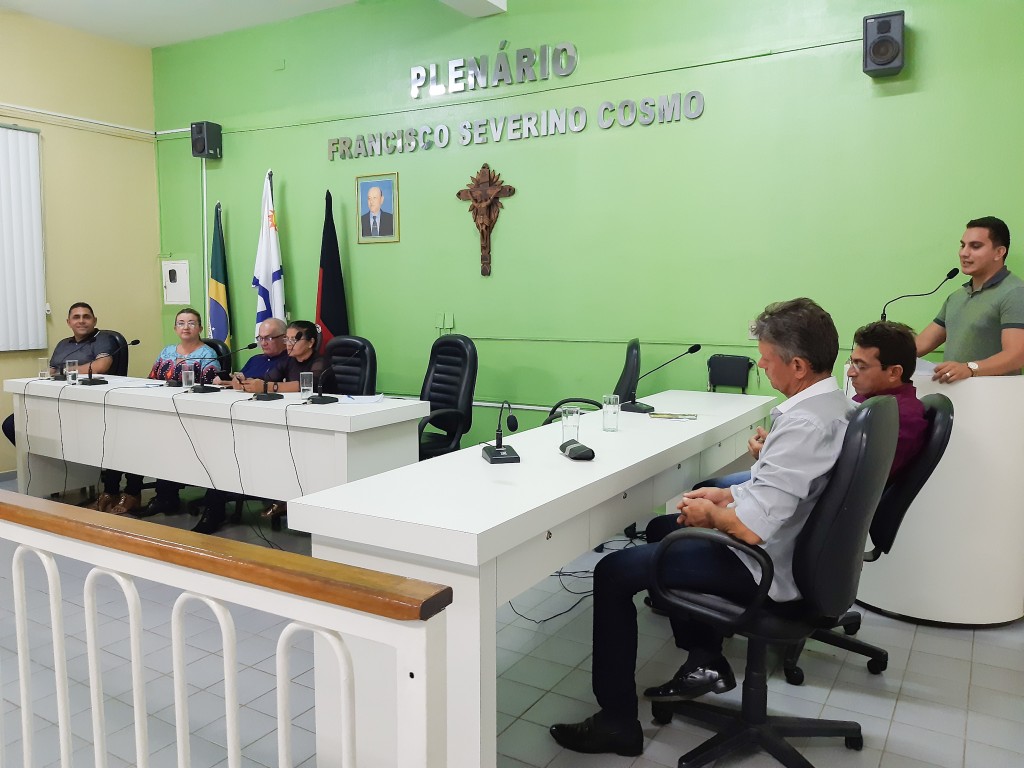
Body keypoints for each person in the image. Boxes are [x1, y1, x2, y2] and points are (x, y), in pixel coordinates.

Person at [550, 298, 854, 757]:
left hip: (766, 567)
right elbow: (784, 490)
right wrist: (726, 496)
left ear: (797, 365)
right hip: (794, 553)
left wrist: (711, 516)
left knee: (612, 572)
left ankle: (617, 723)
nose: (760, 364)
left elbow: (751, 532)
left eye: (766, 358)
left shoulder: (805, 423)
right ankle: (705, 658)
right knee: (662, 529)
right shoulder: (832, 405)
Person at [99, 309, 220, 517]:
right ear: (175, 328)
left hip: (188, 416)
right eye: (181, 323)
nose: (186, 327)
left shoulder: (208, 354)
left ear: (200, 328)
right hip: (161, 410)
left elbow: (210, 389)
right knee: (127, 435)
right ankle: (126, 491)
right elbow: (152, 380)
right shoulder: (167, 351)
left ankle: (161, 496)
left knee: (155, 440)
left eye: (191, 323)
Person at [915, 216, 1024, 382]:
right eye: (962, 245)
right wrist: (880, 357)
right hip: (953, 392)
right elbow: (921, 344)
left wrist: (970, 368)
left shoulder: (1015, 293)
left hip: (995, 394)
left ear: (999, 252)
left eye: (975, 246)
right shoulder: (957, 297)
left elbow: (1016, 355)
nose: (964, 253)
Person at [3, 302, 120, 445]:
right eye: (76, 317)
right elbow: (51, 371)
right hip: (55, 397)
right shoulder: (63, 344)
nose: (81, 321)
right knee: (11, 425)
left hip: (82, 402)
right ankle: (40, 456)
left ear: (94, 320)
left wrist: (65, 371)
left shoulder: (102, 339)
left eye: (86, 317)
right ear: (68, 322)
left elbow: (100, 366)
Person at [238, 320, 332, 395]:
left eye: (294, 340)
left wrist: (267, 386)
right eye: (287, 339)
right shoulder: (288, 360)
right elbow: (267, 378)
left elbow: (307, 385)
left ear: (310, 342)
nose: (289, 344)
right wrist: (246, 382)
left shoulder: (321, 362)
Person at [214, 317, 288, 387]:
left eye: (268, 338)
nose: (263, 343)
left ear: (284, 338)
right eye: (260, 338)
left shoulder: (290, 362)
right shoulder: (255, 359)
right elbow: (240, 380)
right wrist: (230, 380)